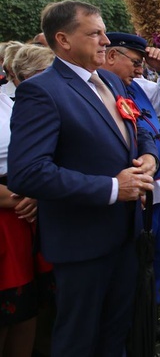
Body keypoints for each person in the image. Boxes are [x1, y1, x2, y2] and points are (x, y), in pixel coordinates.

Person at [8, 0, 159, 356]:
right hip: (82, 245)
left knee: (116, 331)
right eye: (95, 33)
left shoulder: (110, 80)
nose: (106, 40)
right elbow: (27, 172)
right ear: (63, 39)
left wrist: (149, 157)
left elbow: (139, 128)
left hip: (126, 234)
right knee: (79, 339)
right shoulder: (41, 91)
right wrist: (112, 188)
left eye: (104, 31)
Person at [102, 32, 160, 342]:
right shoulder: (98, 92)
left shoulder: (137, 87)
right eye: (135, 62)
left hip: (158, 185)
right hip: (129, 189)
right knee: (132, 258)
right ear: (111, 56)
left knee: (154, 254)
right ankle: (127, 324)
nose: (140, 69)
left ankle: (148, 321)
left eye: (142, 63)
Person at [0, 44, 55, 357]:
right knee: (9, 309)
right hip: (10, 211)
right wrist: (22, 196)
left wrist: (38, 194)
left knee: (34, 305)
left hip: (37, 208)